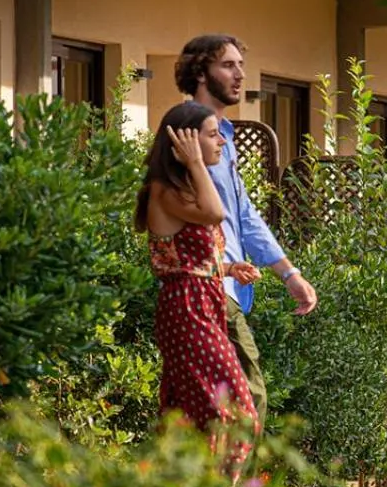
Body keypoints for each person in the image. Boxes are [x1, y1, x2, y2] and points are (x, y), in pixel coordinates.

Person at [175, 35, 318, 420]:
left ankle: (212, 481)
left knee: (216, 408)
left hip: (228, 287)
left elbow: (244, 215)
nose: (240, 75)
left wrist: (288, 272)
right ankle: (237, 482)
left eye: (241, 65)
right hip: (208, 288)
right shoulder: (187, 135)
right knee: (248, 401)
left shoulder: (225, 137)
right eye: (228, 65)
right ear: (201, 72)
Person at [134, 101, 260, 439]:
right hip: (188, 308)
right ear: (184, 141)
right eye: (212, 134)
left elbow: (188, 256)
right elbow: (215, 212)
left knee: (190, 417)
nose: (221, 141)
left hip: (204, 300)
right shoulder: (165, 191)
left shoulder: (183, 192)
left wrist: (229, 268)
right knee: (236, 415)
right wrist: (194, 161)